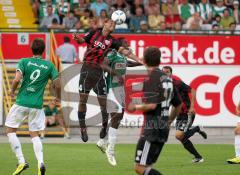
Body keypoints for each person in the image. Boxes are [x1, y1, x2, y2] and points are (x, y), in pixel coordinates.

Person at [73, 18, 142, 142]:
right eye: (110, 22)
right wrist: (78, 39)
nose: (112, 24)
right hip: (87, 68)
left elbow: (126, 52)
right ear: (104, 23)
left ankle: (104, 125)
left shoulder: (112, 41)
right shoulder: (93, 32)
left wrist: (139, 60)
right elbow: (82, 40)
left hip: (98, 72)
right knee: (83, 100)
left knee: (103, 104)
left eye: (114, 24)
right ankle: (83, 127)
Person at [5, 38, 61, 175]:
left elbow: (17, 79)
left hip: (22, 102)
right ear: (43, 51)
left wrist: (12, 91)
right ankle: (40, 162)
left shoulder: (24, 61)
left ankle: (21, 161)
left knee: (10, 130)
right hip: (36, 105)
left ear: (31, 49)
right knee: (34, 134)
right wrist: (57, 97)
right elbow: (58, 83)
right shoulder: (49, 65)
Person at [128, 46, 182, 175]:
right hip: (162, 127)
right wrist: (168, 121)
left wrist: (134, 106)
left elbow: (151, 105)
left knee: (140, 168)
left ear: (145, 60)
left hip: (152, 128)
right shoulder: (167, 79)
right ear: (159, 60)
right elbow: (178, 105)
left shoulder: (152, 78)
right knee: (147, 166)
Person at [96, 38, 142, 166]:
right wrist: (116, 74)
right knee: (116, 117)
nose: (128, 47)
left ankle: (103, 142)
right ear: (120, 46)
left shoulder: (122, 57)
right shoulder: (112, 54)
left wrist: (141, 63)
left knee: (118, 117)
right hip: (112, 88)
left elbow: (129, 64)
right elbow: (103, 65)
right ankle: (110, 151)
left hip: (120, 90)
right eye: (125, 45)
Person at [162, 66, 207, 163]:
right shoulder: (164, 85)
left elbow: (193, 90)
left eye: (167, 72)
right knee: (181, 137)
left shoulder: (177, 82)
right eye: (164, 72)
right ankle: (198, 157)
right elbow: (172, 103)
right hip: (179, 114)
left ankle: (196, 129)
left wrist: (192, 106)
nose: (165, 74)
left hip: (187, 112)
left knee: (179, 135)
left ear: (171, 73)